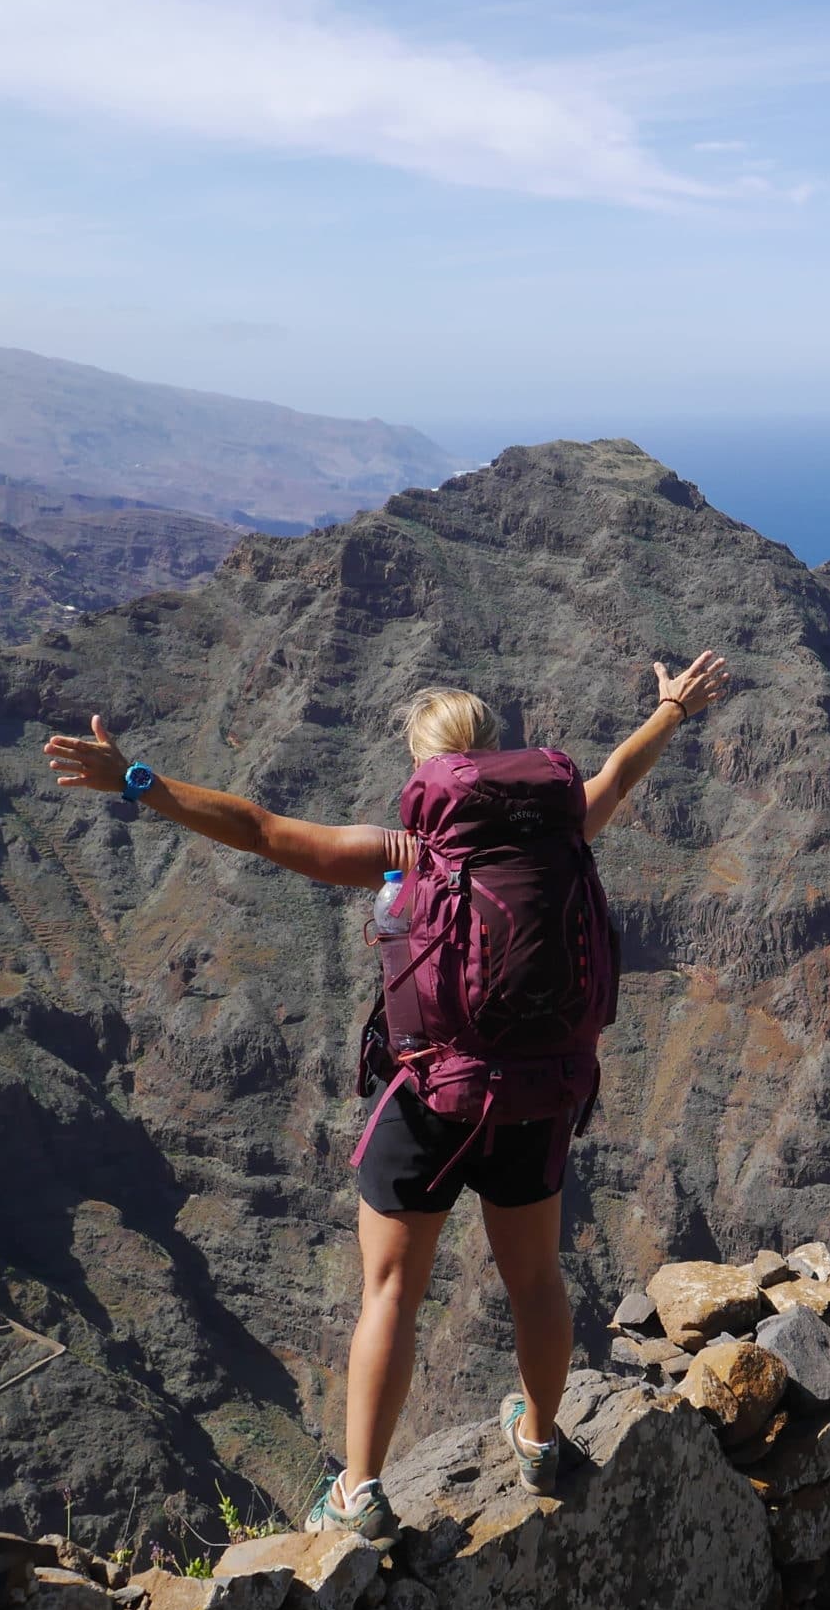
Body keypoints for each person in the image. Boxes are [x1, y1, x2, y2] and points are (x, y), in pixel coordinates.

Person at [43, 651, 731, 1545]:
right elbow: (618, 773)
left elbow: (259, 828)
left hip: (430, 1102)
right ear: (495, 753)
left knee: (392, 1292)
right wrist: (672, 709)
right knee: (534, 1279)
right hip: (538, 1094)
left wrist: (136, 779)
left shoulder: (405, 853)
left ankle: (359, 1490)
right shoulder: (562, 833)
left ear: (426, 767)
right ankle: (539, 1440)